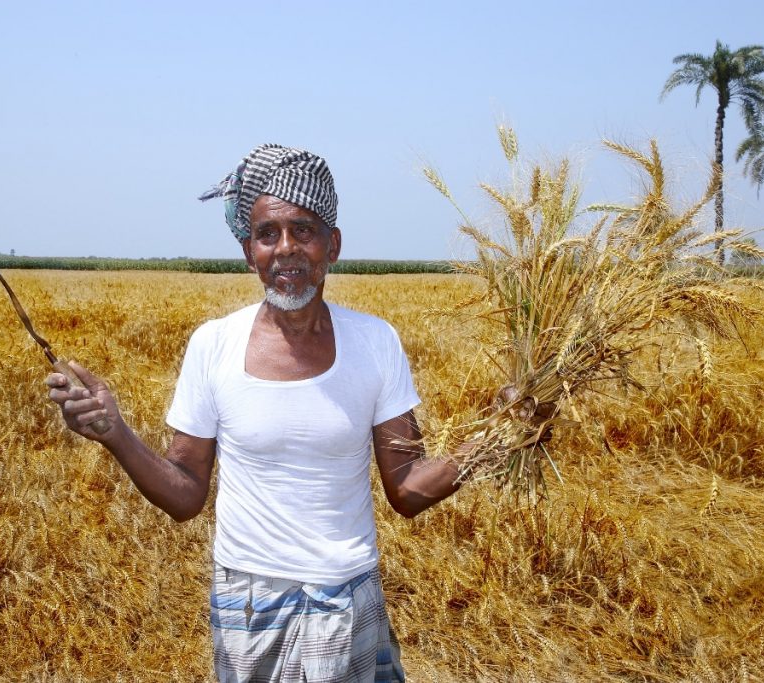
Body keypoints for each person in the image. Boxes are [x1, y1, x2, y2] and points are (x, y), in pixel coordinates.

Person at [46, 144, 466, 682]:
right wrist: (116, 433)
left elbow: (407, 487)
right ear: (249, 252)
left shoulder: (375, 342)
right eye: (268, 234)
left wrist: (498, 438)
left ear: (332, 245)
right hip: (250, 606)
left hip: (350, 599)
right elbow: (185, 494)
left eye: (303, 230)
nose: (285, 249)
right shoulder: (213, 345)